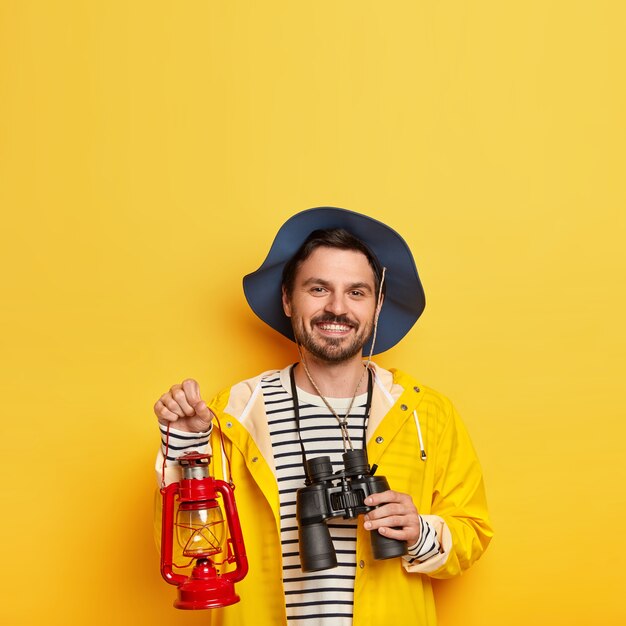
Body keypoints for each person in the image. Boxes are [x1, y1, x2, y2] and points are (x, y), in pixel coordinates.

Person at [153, 207, 493, 626]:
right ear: (287, 299)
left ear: (377, 304)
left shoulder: (427, 413)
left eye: (356, 292)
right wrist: (187, 445)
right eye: (318, 289)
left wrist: (418, 531)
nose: (337, 308)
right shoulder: (235, 412)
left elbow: (472, 533)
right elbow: (187, 550)